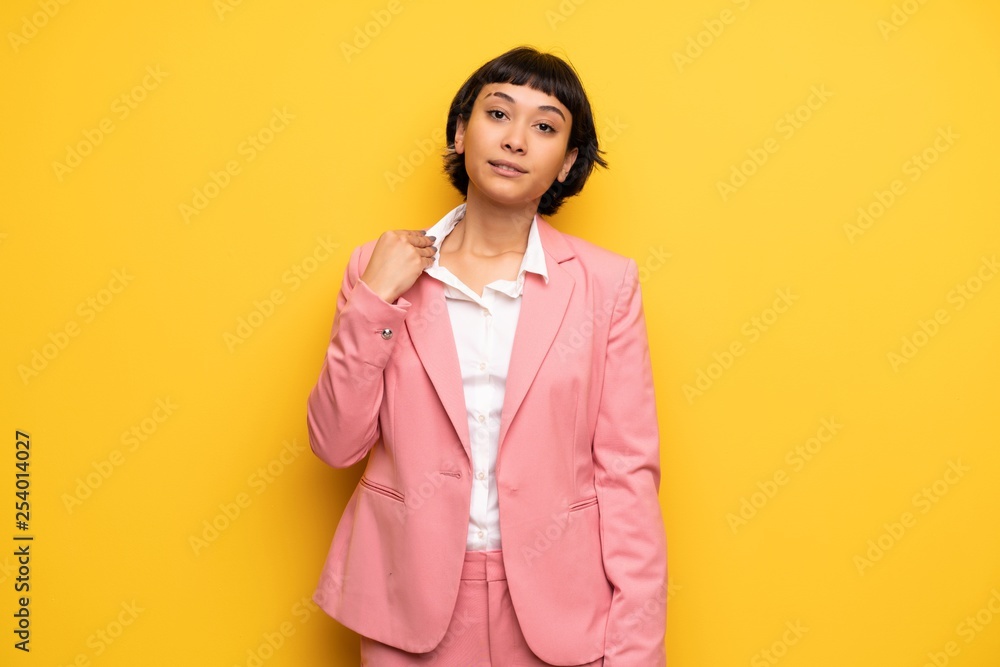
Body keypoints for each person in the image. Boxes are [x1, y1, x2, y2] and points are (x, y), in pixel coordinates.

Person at [307, 45, 667, 666]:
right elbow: (335, 443)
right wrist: (374, 300)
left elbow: (626, 476)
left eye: (545, 126)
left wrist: (638, 651)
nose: (517, 140)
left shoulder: (606, 286)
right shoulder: (378, 269)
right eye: (498, 115)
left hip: (562, 611)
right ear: (459, 133)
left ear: (566, 164)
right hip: (407, 605)